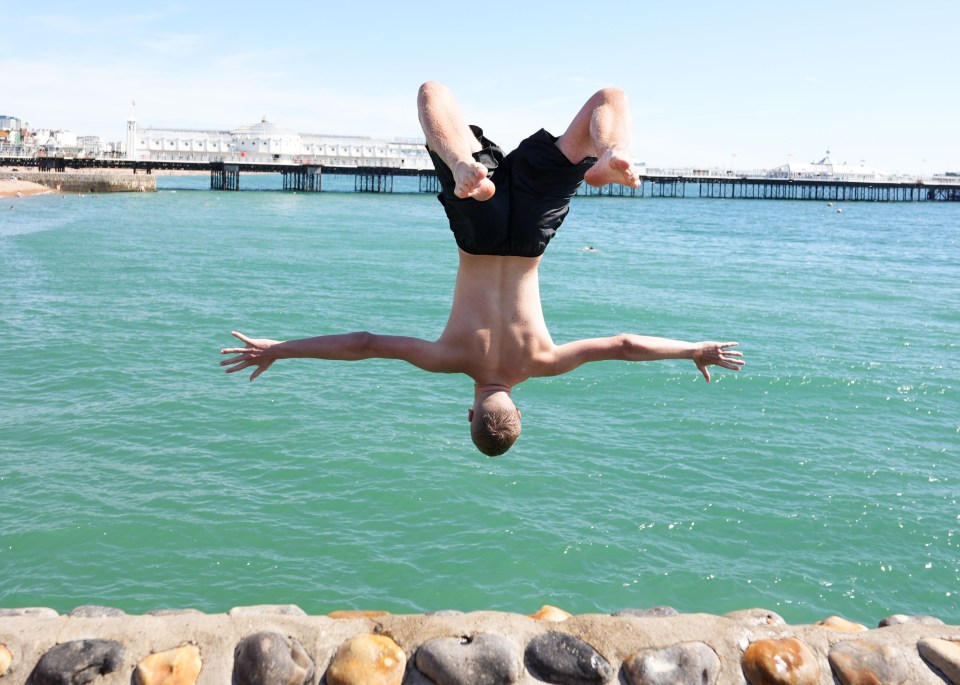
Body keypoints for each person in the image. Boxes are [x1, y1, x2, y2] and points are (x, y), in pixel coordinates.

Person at [221, 81, 744, 456]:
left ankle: (611, 154)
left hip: (532, 235)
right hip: (478, 231)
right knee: (432, 95)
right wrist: (279, 349)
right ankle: (461, 164)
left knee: (611, 100)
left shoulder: (544, 361)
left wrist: (694, 349)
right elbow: (364, 342)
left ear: (520, 413)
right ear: (470, 416)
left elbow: (625, 344)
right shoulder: (447, 359)